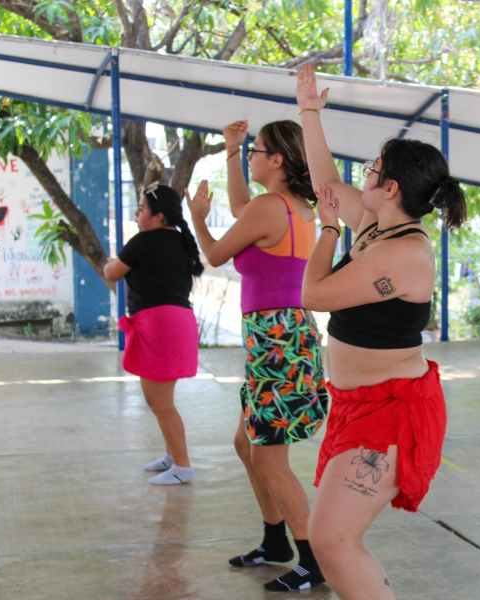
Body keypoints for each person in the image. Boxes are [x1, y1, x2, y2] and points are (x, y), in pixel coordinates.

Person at [295, 62, 467, 600]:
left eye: (371, 169)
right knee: (337, 540)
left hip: (393, 412)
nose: (362, 175)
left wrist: (325, 229)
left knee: (332, 539)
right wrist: (309, 112)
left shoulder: (406, 253)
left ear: (388, 186)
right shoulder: (376, 226)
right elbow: (324, 185)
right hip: (359, 405)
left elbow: (315, 295)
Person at [185, 119, 329, 592]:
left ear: (277, 160)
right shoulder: (292, 207)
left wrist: (199, 221)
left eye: (254, 151)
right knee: (248, 445)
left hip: (276, 339)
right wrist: (231, 149)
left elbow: (215, 255)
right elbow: (242, 207)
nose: (250, 157)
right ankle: (275, 542)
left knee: (268, 457)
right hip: (284, 333)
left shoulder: (271, 207)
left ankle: (313, 559)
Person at [104, 183, 203, 486]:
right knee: (162, 399)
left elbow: (111, 273)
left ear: (159, 216)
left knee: (160, 403)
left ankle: (183, 467)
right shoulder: (182, 243)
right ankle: (172, 457)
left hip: (159, 324)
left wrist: (111, 260)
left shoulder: (143, 242)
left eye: (142, 209)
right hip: (179, 321)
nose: (137, 213)